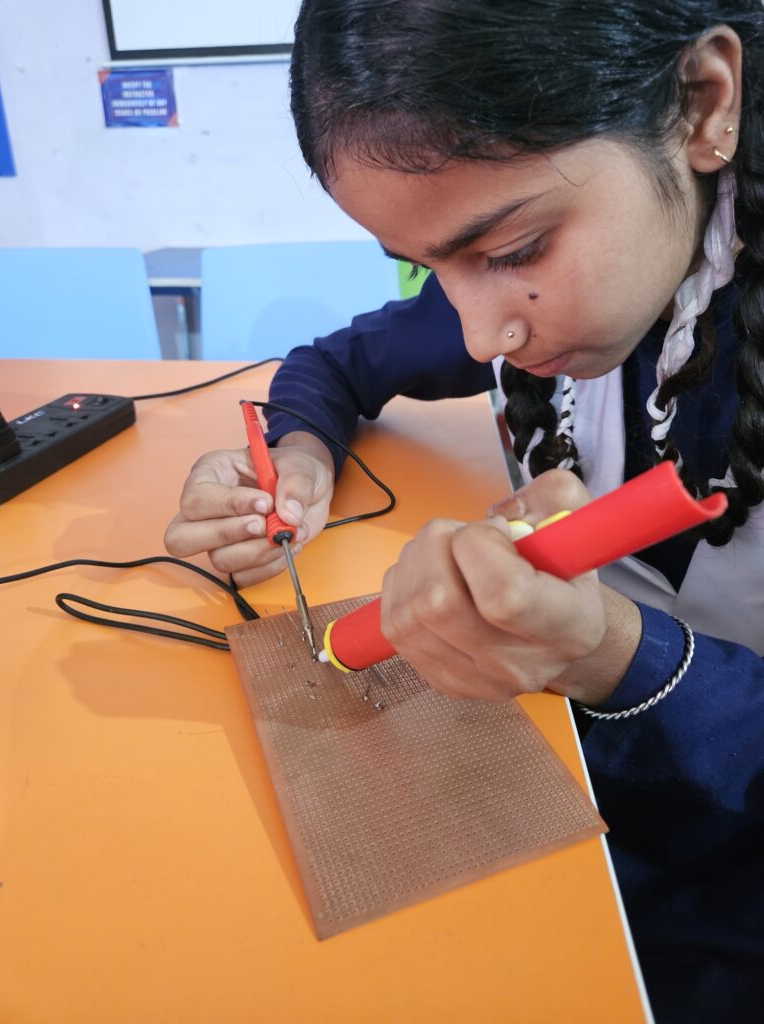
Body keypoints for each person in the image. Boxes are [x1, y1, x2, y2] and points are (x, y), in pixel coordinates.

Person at [165, 2, 764, 1019]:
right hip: (580, 794)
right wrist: (296, 463)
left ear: (703, 103)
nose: (480, 329)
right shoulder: (589, 262)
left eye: (516, 249)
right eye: (425, 265)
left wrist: (616, 654)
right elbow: (335, 362)